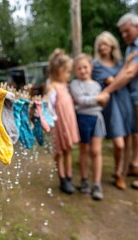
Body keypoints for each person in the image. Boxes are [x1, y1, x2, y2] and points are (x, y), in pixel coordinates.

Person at [100, 12, 138, 190]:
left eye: (127, 31)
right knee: (135, 134)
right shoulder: (130, 48)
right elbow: (125, 71)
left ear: (137, 26)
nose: (124, 36)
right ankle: (134, 165)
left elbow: (130, 73)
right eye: (122, 33)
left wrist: (107, 91)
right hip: (131, 96)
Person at [92, 31, 136, 190]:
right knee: (119, 144)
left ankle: (120, 173)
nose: (102, 47)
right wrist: (126, 68)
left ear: (112, 45)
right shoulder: (96, 65)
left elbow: (126, 79)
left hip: (125, 101)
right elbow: (116, 81)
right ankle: (118, 172)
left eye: (105, 44)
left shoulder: (119, 63)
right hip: (111, 106)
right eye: (100, 45)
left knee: (128, 139)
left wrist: (125, 67)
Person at [69, 53, 109, 200]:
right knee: (84, 150)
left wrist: (102, 101)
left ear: (91, 67)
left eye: (85, 67)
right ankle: (85, 180)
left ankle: (97, 183)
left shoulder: (97, 85)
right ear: (75, 71)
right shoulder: (74, 84)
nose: (83, 71)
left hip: (97, 119)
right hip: (82, 120)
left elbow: (101, 104)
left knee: (96, 151)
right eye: (79, 68)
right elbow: (80, 100)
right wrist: (99, 98)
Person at [47, 49, 80, 194]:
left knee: (68, 150)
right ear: (61, 71)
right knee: (59, 151)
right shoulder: (52, 87)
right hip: (59, 125)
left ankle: (69, 176)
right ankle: (62, 179)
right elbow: (49, 107)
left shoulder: (66, 86)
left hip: (69, 122)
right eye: (68, 72)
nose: (69, 75)